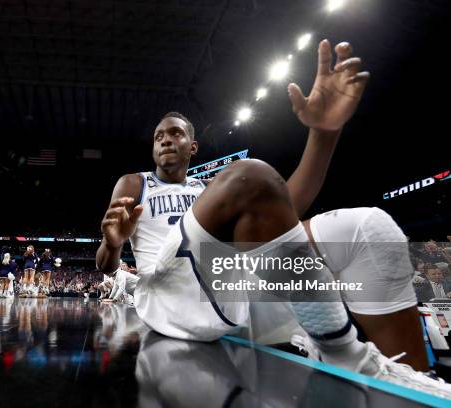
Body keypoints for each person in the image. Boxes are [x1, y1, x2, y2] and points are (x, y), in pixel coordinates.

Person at [96, 40, 451, 397]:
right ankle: (347, 356)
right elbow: (105, 265)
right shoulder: (135, 183)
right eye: (159, 136)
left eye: (175, 133)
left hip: (227, 282)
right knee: (249, 176)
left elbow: (286, 207)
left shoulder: (211, 189)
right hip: (168, 295)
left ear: (193, 147)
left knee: (367, 228)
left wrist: (324, 133)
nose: (165, 141)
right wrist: (113, 244)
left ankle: (414, 382)